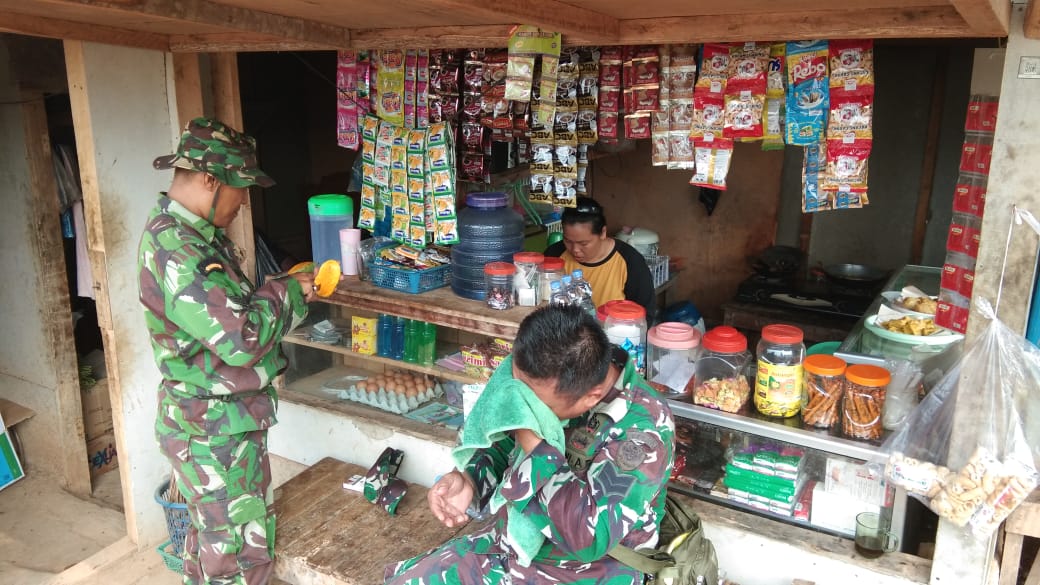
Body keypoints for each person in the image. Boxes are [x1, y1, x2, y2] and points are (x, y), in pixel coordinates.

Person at [138, 117, 315, 585]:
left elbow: (226, 316)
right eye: (241, 188)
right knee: (237, 560)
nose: (244, 202)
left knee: (214, 548)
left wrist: (277, 290)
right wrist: (288, 292)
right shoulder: (178, 249)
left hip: (217, 424)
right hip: (213, 432)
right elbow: (242, 339)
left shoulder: (194, 238)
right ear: (210, 180)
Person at [384, 305, 675, 585]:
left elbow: (589, 539)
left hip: (587, 571)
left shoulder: (643, 431)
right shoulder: (543, 376)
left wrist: (534, 445)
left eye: (535, 406)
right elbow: (505, 448)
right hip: (511, 541)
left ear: (592, 397)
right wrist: (471, 480)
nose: (523, 407)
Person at [544, 196, 656, 321]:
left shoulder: (630, 261)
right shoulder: (555, 255)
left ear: (603, 233)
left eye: (583, 243)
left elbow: (645, 315)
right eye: (568, 241)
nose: (575, 249)